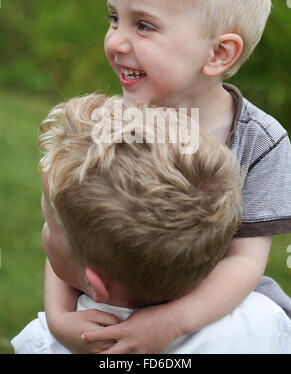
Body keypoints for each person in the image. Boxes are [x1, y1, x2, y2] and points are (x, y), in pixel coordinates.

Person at [41, 0, 291, 354]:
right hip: (108, 300)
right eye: (113, 18)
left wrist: (171, 322)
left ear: (218, 53)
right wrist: (60, 318)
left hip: (213, 316)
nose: (116, 41)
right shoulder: (111, 123)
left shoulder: (259, 141)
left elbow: (245, 263)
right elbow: (67, 229)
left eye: (144, 25)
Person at [11, 94, 291, 354]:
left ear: (95, 284)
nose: (44, 230)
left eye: (50, 223)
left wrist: (56, 321)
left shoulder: (44, 343)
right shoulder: (264, 318)